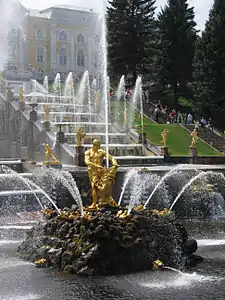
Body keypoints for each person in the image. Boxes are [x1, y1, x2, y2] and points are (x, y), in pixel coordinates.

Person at [84, 139, 118, 208]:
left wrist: (115, 163)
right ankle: (94, 203)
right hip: (92, 172)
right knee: (94, 187)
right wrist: (96, 165)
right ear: (93, 145)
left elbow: (111, 157)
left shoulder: (101, 152)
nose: (98, 147)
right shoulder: (88, 152)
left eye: (99, 146)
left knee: (105, 185)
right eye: (97, 146)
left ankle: (106, 199)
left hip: (101, 171)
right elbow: (87, 162)